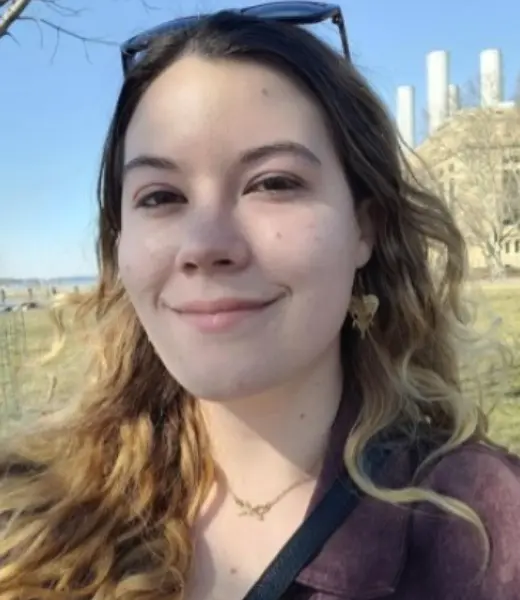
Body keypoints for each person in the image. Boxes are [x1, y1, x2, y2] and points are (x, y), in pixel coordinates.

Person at [1, 3, 519, 599]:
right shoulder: (27, 515)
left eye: (273, 183)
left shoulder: (483, 536)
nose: (204, 246)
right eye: (161, 196)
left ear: (364, 228)